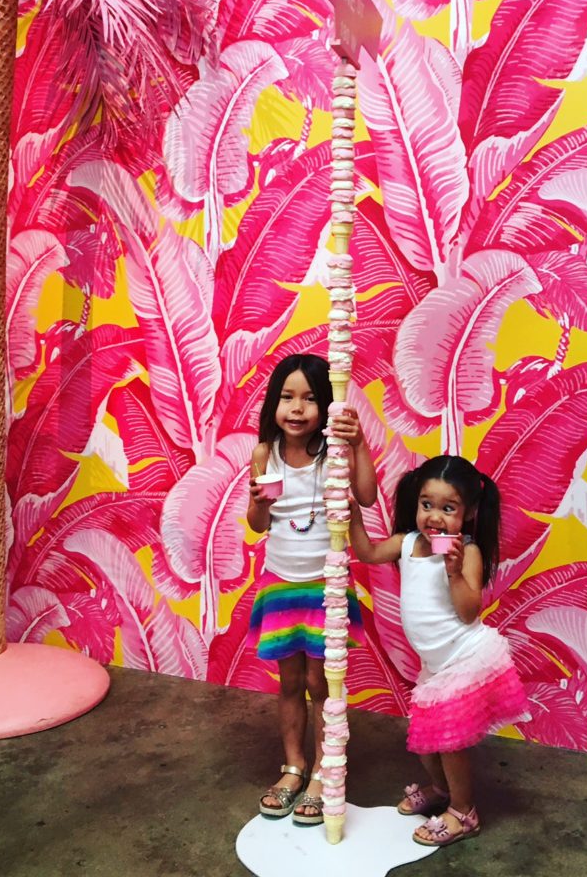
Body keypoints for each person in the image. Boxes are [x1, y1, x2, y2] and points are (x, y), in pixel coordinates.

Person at [348, 455, 530, 847]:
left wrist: (453, 569)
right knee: (426, 740)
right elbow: (366, 553)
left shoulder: (469, 553)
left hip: (464, 658)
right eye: (426, 505)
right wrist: (352, 518)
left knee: (449, 743)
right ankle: (442, 789)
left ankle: (465, 813)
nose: (434, 517)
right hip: (435, 666)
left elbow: (468, 612)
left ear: (468, 515)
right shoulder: (408, 542)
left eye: (448, 509)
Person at [246, 353, 377, 825]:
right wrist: (255, 499)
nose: (297, 408)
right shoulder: (266, 453)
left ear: (326, 406)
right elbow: (259, 524)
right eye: (287, 397)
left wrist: (358, 443)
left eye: (309, 398)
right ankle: (293, 766)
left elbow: (366, 496)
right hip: (280, 584)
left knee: (323, 684)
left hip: (326, 587)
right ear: (273, 403)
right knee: (290, 683)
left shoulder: (332, 454)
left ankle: (324, 771)